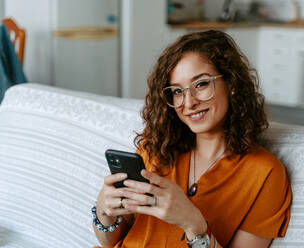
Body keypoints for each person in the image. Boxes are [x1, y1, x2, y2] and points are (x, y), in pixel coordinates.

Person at [92, 30, 292, 248]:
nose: (189, 102)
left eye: (201, 84)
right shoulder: (155, 151)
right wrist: (104, 213)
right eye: (177, 91)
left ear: (232, 85)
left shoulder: (266, 174)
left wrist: (193, 224)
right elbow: (109, 242)